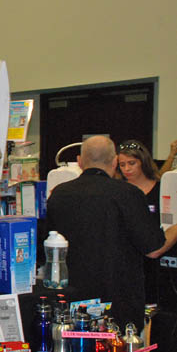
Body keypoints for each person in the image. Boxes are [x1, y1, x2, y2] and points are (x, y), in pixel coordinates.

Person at [46, 135, 177, 331]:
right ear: (115, 161)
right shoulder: (128, 194)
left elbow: (47, 245)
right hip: (118, 303)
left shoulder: (59, 194)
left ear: (80, 162)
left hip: (71, 299)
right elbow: (154, 249)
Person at [117, 140, 161, 302]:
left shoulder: (160, 189)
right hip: (127, 258)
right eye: (122, 165)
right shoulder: (117, 191)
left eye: (132, 163)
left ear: (143, 162)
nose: (127, 169)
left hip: (156, 256)